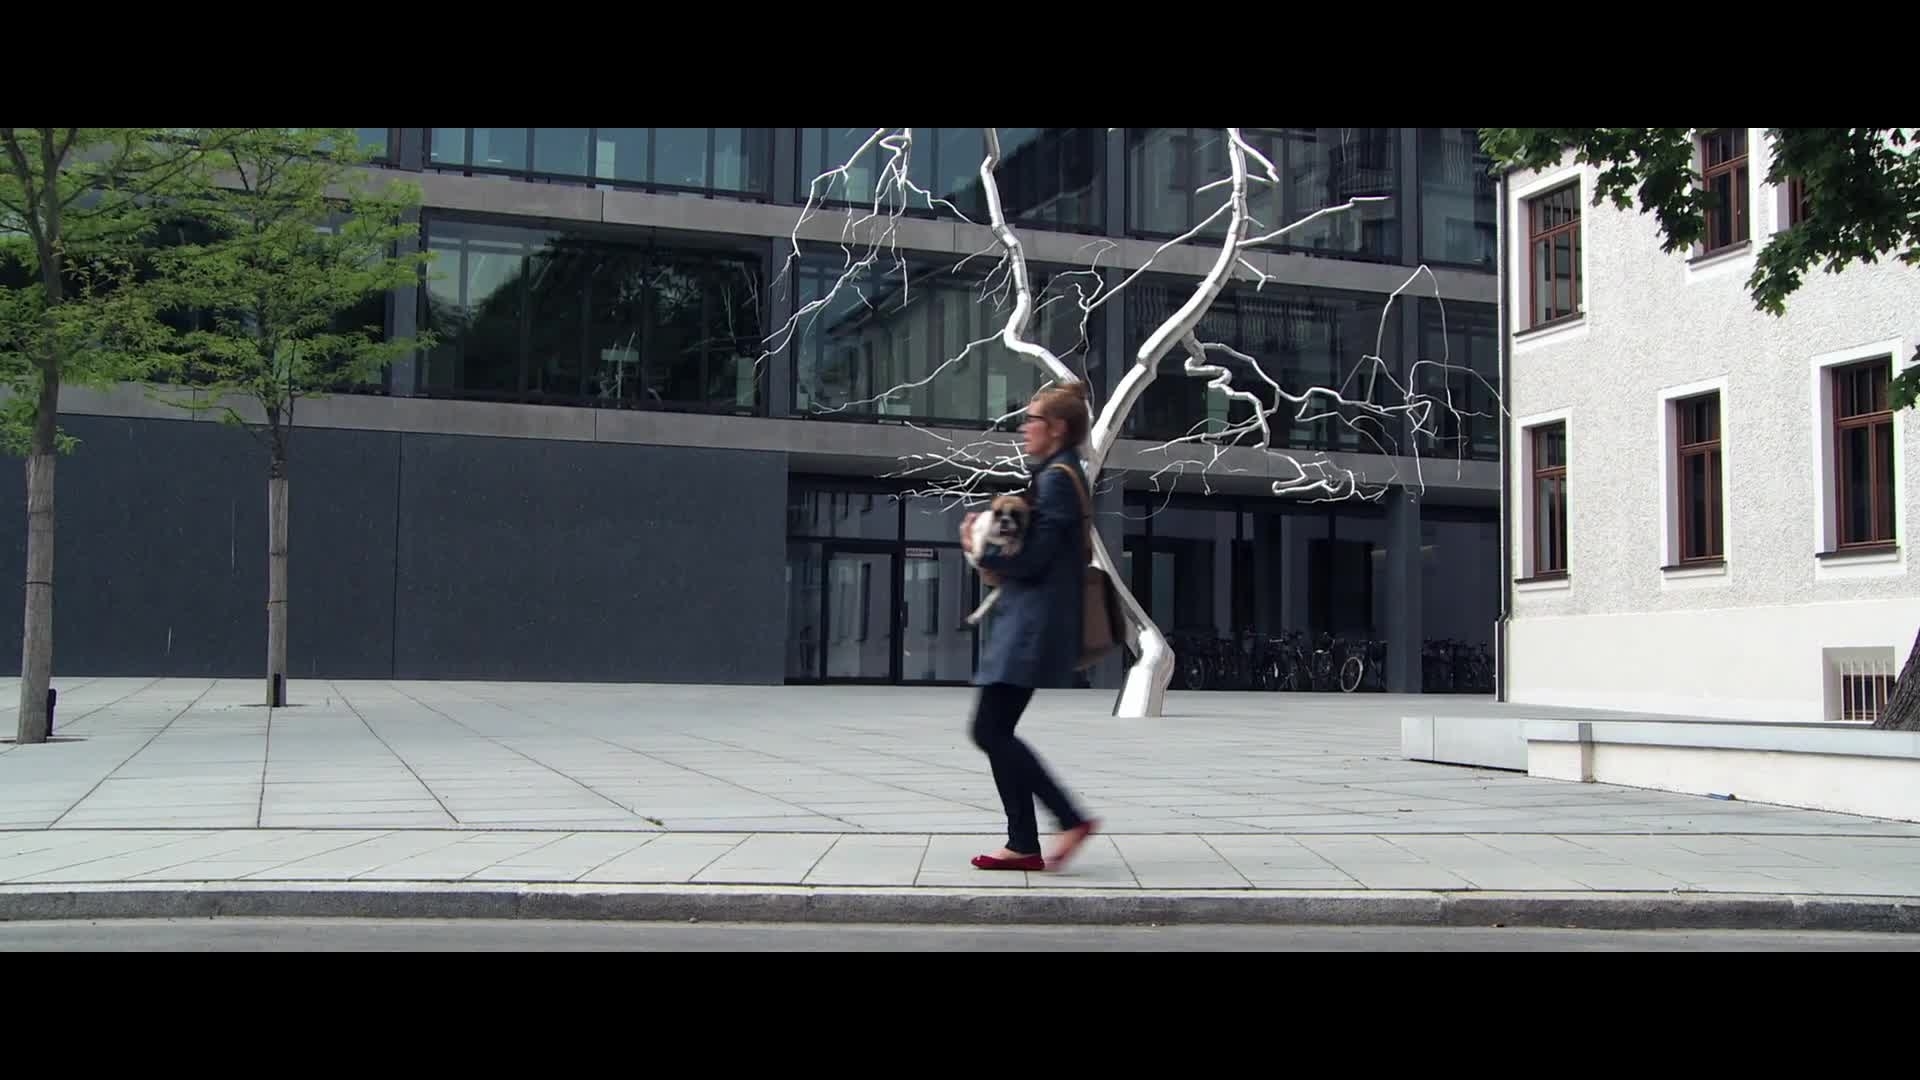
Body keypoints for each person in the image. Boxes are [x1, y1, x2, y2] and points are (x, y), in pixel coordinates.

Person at [958, 380, 1100, 872]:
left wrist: (982, 551)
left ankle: (1068, 819)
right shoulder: (1060, 473)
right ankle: (1023, 843)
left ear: (1056, 427)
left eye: (1031, 419)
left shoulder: (1058, 477)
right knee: (995, 729)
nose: (1024, 428)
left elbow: (1036, 558)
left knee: (989, 729)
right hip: (1030, 619)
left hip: (1033, 624)